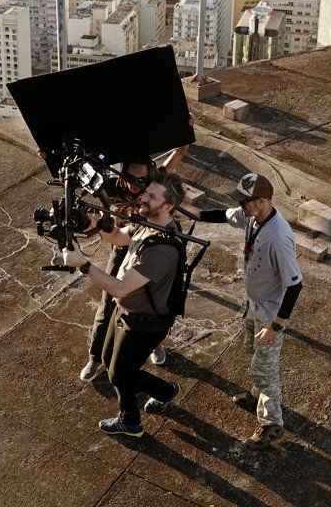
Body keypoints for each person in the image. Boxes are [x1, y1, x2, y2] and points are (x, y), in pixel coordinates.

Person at [63, 172, 187, 438]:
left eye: (152, 196)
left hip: (144, 324)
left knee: (120, 375)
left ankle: (133, 418)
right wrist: (98, 225)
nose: (143, 197)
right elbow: (121, 237)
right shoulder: (149, 222)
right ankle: (162, 395)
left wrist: (82, 264)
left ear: (168, 206)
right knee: (109, 361)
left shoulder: (161, 252)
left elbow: (118, 287)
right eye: (146, 192)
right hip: (126, 312)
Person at [196, 173, 303, 450]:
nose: (241, 206)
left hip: (270, 314)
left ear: (263, 201)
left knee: (265, 370)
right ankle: (258, 393)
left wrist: (276, 326)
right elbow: (224, 215)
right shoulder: (252, 216)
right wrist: (192, 214)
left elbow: (295, 285)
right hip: (253, 304)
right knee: (250, 350)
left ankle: (272, 423)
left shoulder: (279, 238)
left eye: (245, 202)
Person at [79, 144, 189, 383]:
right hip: (126, 242)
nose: (137, 186)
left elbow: (180, 152)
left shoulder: (156, 184)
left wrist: (183, 129)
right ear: (121, 174)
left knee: (155, 302)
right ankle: (96, 357)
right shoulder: (108, 186)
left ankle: (151, 344)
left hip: (151, 242)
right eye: (129, 178)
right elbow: (78, 178)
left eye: (143, 183)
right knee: (109, 302)